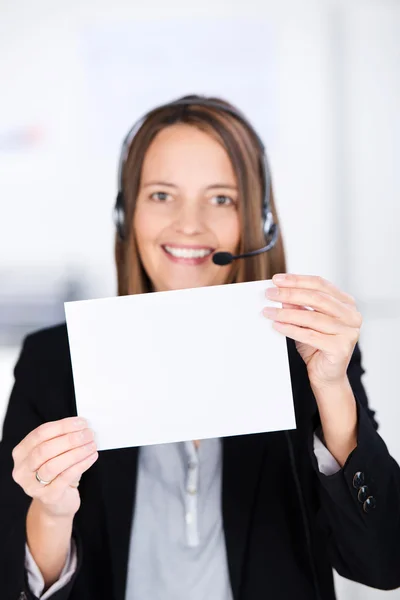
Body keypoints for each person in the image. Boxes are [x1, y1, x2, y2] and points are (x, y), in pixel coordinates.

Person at [1, 95, 400, 600]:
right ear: (127, 215)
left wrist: (331, 391)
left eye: (221, 198)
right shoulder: (53, 363)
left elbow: (383, 562)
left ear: (259, 224)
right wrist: (52, 512)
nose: (189, 225)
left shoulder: (308, 360)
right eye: (162, 195)